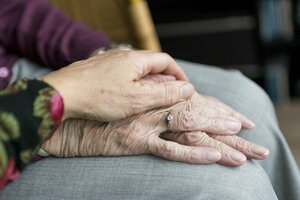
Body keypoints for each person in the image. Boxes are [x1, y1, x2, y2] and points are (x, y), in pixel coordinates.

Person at [0, 0, 299, 200]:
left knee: (244, 99)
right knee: (231, 186)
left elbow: (11, 9)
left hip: (21, 70)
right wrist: (60, 118)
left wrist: (104, 58)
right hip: (10, 141)